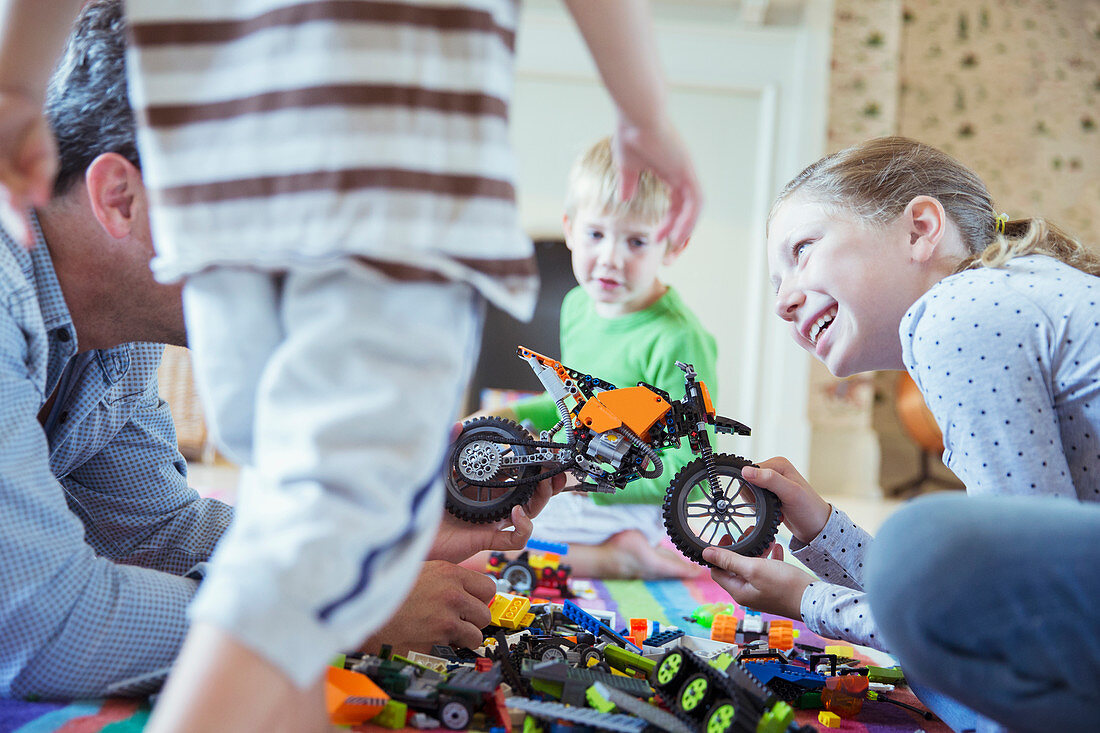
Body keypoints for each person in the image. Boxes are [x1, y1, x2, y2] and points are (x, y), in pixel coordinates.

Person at [0, 1, 703, 731]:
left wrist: (366, 547)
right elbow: (49, 625)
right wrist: (344, 608)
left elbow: (160, 529)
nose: (299, 245)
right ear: (122, 198)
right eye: (267, 200)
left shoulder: (122, 335)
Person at [698, 136, 1100, 730]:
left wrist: (803, 600)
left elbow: (1014, 615)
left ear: (920, 229)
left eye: (802, 250)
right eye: (775, 282)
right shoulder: (1006, 292)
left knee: (923, 545)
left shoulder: (961, 313)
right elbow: (1006, 596)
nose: (782, 302)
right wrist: (822, 529)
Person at [468, 136, 710, 580]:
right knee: (480, 498)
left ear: (674, 246)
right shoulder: (578, 305)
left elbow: (692, 469)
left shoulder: (675, 339)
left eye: (637, 242)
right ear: (569, 229)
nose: (610, 259)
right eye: (596, 234)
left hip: (640, 500)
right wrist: (511, 411)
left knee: (478, 542)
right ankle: (615, 550)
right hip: (590, 482)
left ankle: (620, 558)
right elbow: (579, 407)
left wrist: (587, 485)